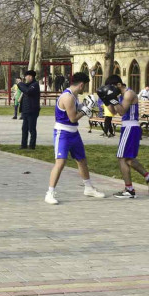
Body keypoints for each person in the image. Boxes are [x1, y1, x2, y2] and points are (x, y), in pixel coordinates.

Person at [45, 72, 104, 205]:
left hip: (73, 132)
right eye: (85, 86)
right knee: (60, 162)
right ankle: (50, 193)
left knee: (82, 160)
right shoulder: (68, 97)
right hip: (63, 133)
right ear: (81, 84)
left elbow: (74, 112)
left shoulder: (74, 96)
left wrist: (83, 106)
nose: (84, 89)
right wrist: (86, 110)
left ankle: (88, 188)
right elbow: (72, 118)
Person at [99, 75, 149, 198]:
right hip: (127, 127)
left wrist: (112, 99)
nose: (111, 90)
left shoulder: (129, 94)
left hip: (130, 127)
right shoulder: (121, 96)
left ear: (119, 85)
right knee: (128, 159)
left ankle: (129, 190)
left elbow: (121, 111)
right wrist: (106, 100)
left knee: (121, 158)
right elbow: (113, 112)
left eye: (111, 87)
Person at [18, 70, 40, 149]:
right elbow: (25, 89)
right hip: (25, 111)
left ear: (31, 76)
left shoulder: (35, 85)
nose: (25, 78)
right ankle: (23, 145)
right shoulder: (27, 85)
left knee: (32, 129)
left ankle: (32, 146)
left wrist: (19, 83)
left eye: (26, 76)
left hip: (32, 110)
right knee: (24, 129)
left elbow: (28, 91)